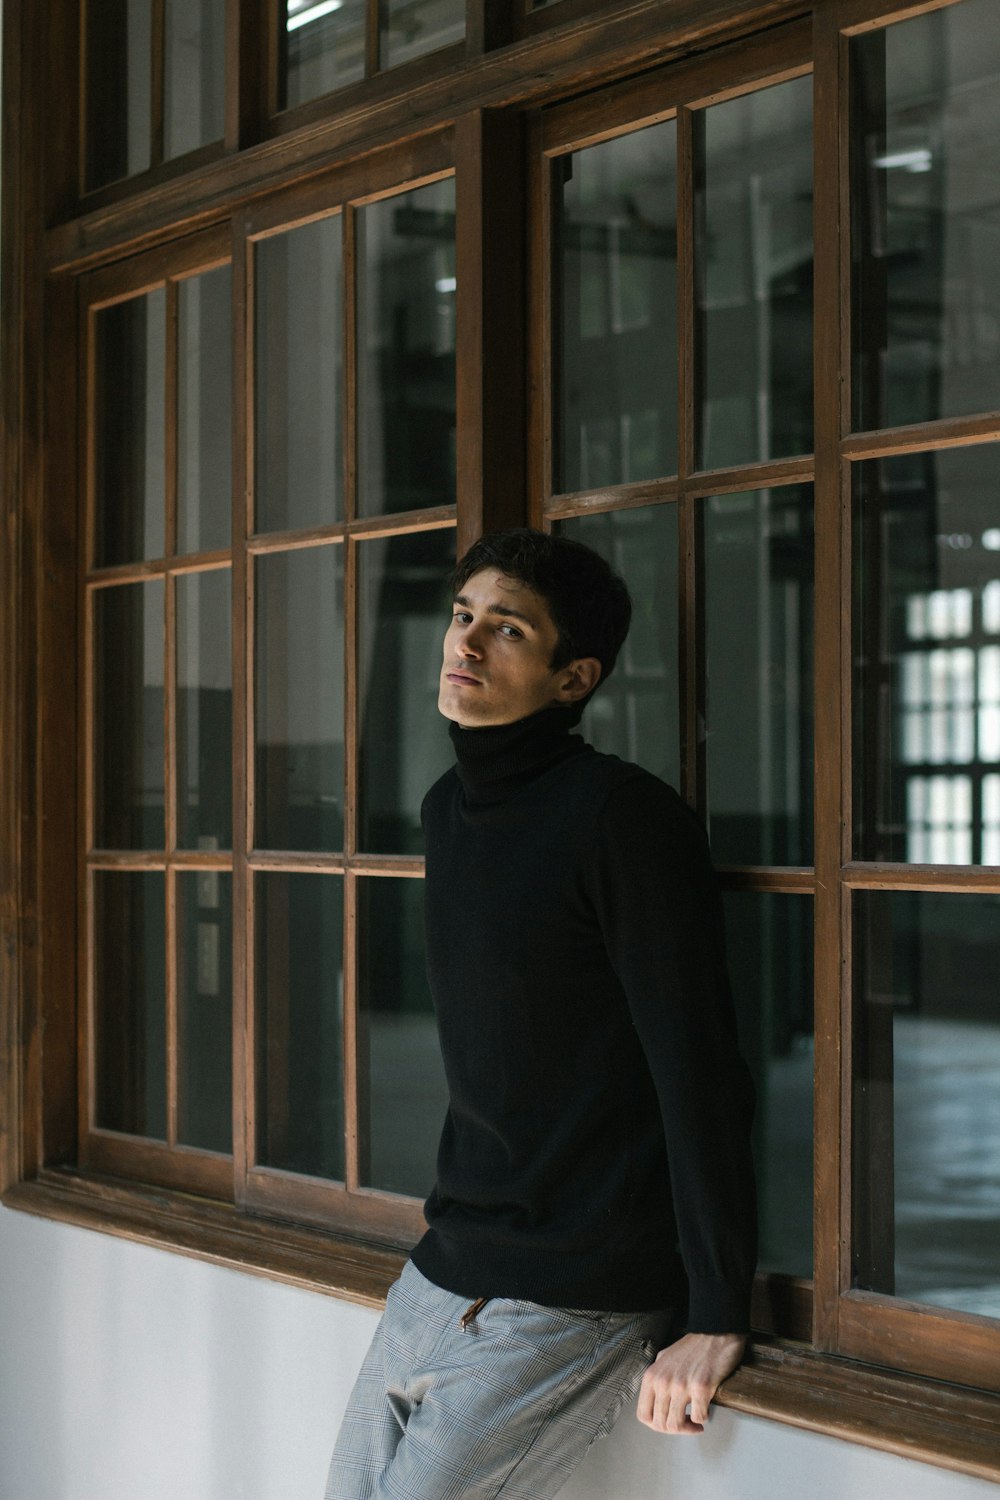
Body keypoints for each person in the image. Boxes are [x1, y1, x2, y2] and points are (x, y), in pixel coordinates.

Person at [325, 528, 757, 1500]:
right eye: (463, 615)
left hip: (569, 1292)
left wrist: (715, 1307)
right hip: (439, 1273)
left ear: (574, 678)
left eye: (508, 628)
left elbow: (699, 1068)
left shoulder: (622, 819)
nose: (467, 643)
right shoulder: (446, 811)